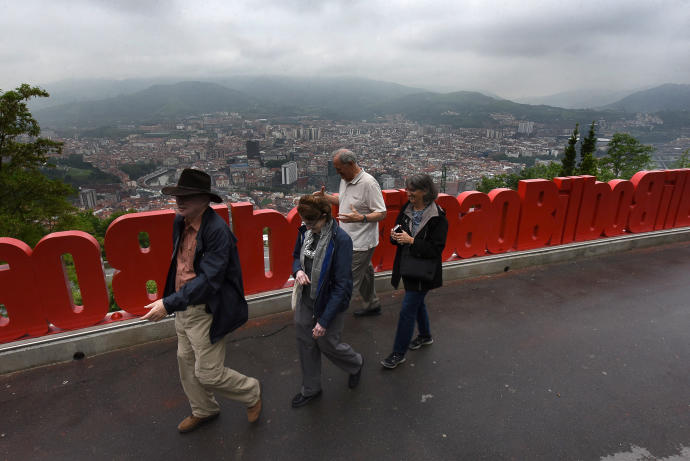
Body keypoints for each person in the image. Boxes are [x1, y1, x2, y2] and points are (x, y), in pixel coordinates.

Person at [141, 168, 262, 432]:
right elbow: (182, 264)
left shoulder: (218, 232)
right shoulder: (180, 221)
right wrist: (172, 300)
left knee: (208, 373)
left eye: (189, 196)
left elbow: (210, 281)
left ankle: (251, 392)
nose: (180, 201)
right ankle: (203, 409)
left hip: (207, 310)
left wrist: (167, 303)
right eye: (178, 196)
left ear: (206, 199)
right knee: (185, 363)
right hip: (183, 305)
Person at [291, 194, 364, 407]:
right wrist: (297, 271)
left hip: (330, 300)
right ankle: (311, 388)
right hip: (307, 296)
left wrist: (323, 321)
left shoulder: (341, 240)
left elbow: (342, 285)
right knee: (305, 342)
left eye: (312, 222)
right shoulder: (305, 231)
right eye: (305, 222)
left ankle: (355, 363)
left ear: (325, 216)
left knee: (327, 343)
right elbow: (296, 256)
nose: (308, 226)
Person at [381, 174, 448, 369]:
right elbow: (397, 233)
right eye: (407, 189)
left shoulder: (438, 217)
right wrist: (395, 236)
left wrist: (411, 241)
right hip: (408, 266)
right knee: (416, 304)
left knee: (407, 310)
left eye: (412, 190)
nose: (407, 193)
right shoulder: (406, 209)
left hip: (424, 271)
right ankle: (425, 336)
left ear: (425, 191)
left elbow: (436, 250)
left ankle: (398, 353)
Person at [315, 148, 387, 317]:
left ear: (351, 164)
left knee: (346, 282)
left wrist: (361, 218)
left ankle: (329, 320)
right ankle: (372, 304)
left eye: (339, 169)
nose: (337, 172)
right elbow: (344, 200)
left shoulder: (369, 183)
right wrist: (327, 198)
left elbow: (382, 213)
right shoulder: (346, 179)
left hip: (360, 243)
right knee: (366, 274)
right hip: (348, 239)